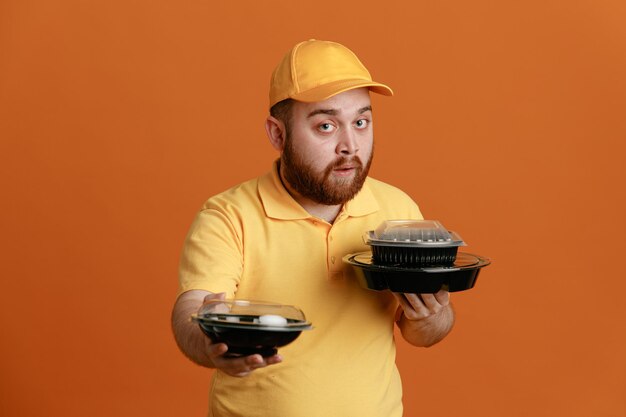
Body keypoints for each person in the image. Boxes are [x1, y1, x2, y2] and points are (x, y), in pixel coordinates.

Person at [171, 39, 455, 417]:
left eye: (361, 122)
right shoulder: (229, 215)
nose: (349, 145)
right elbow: (191, 307)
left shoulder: (397, 209)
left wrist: (433, 315)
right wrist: (208, 342)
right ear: (277, 134)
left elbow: (422, 333)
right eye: (325, 125)